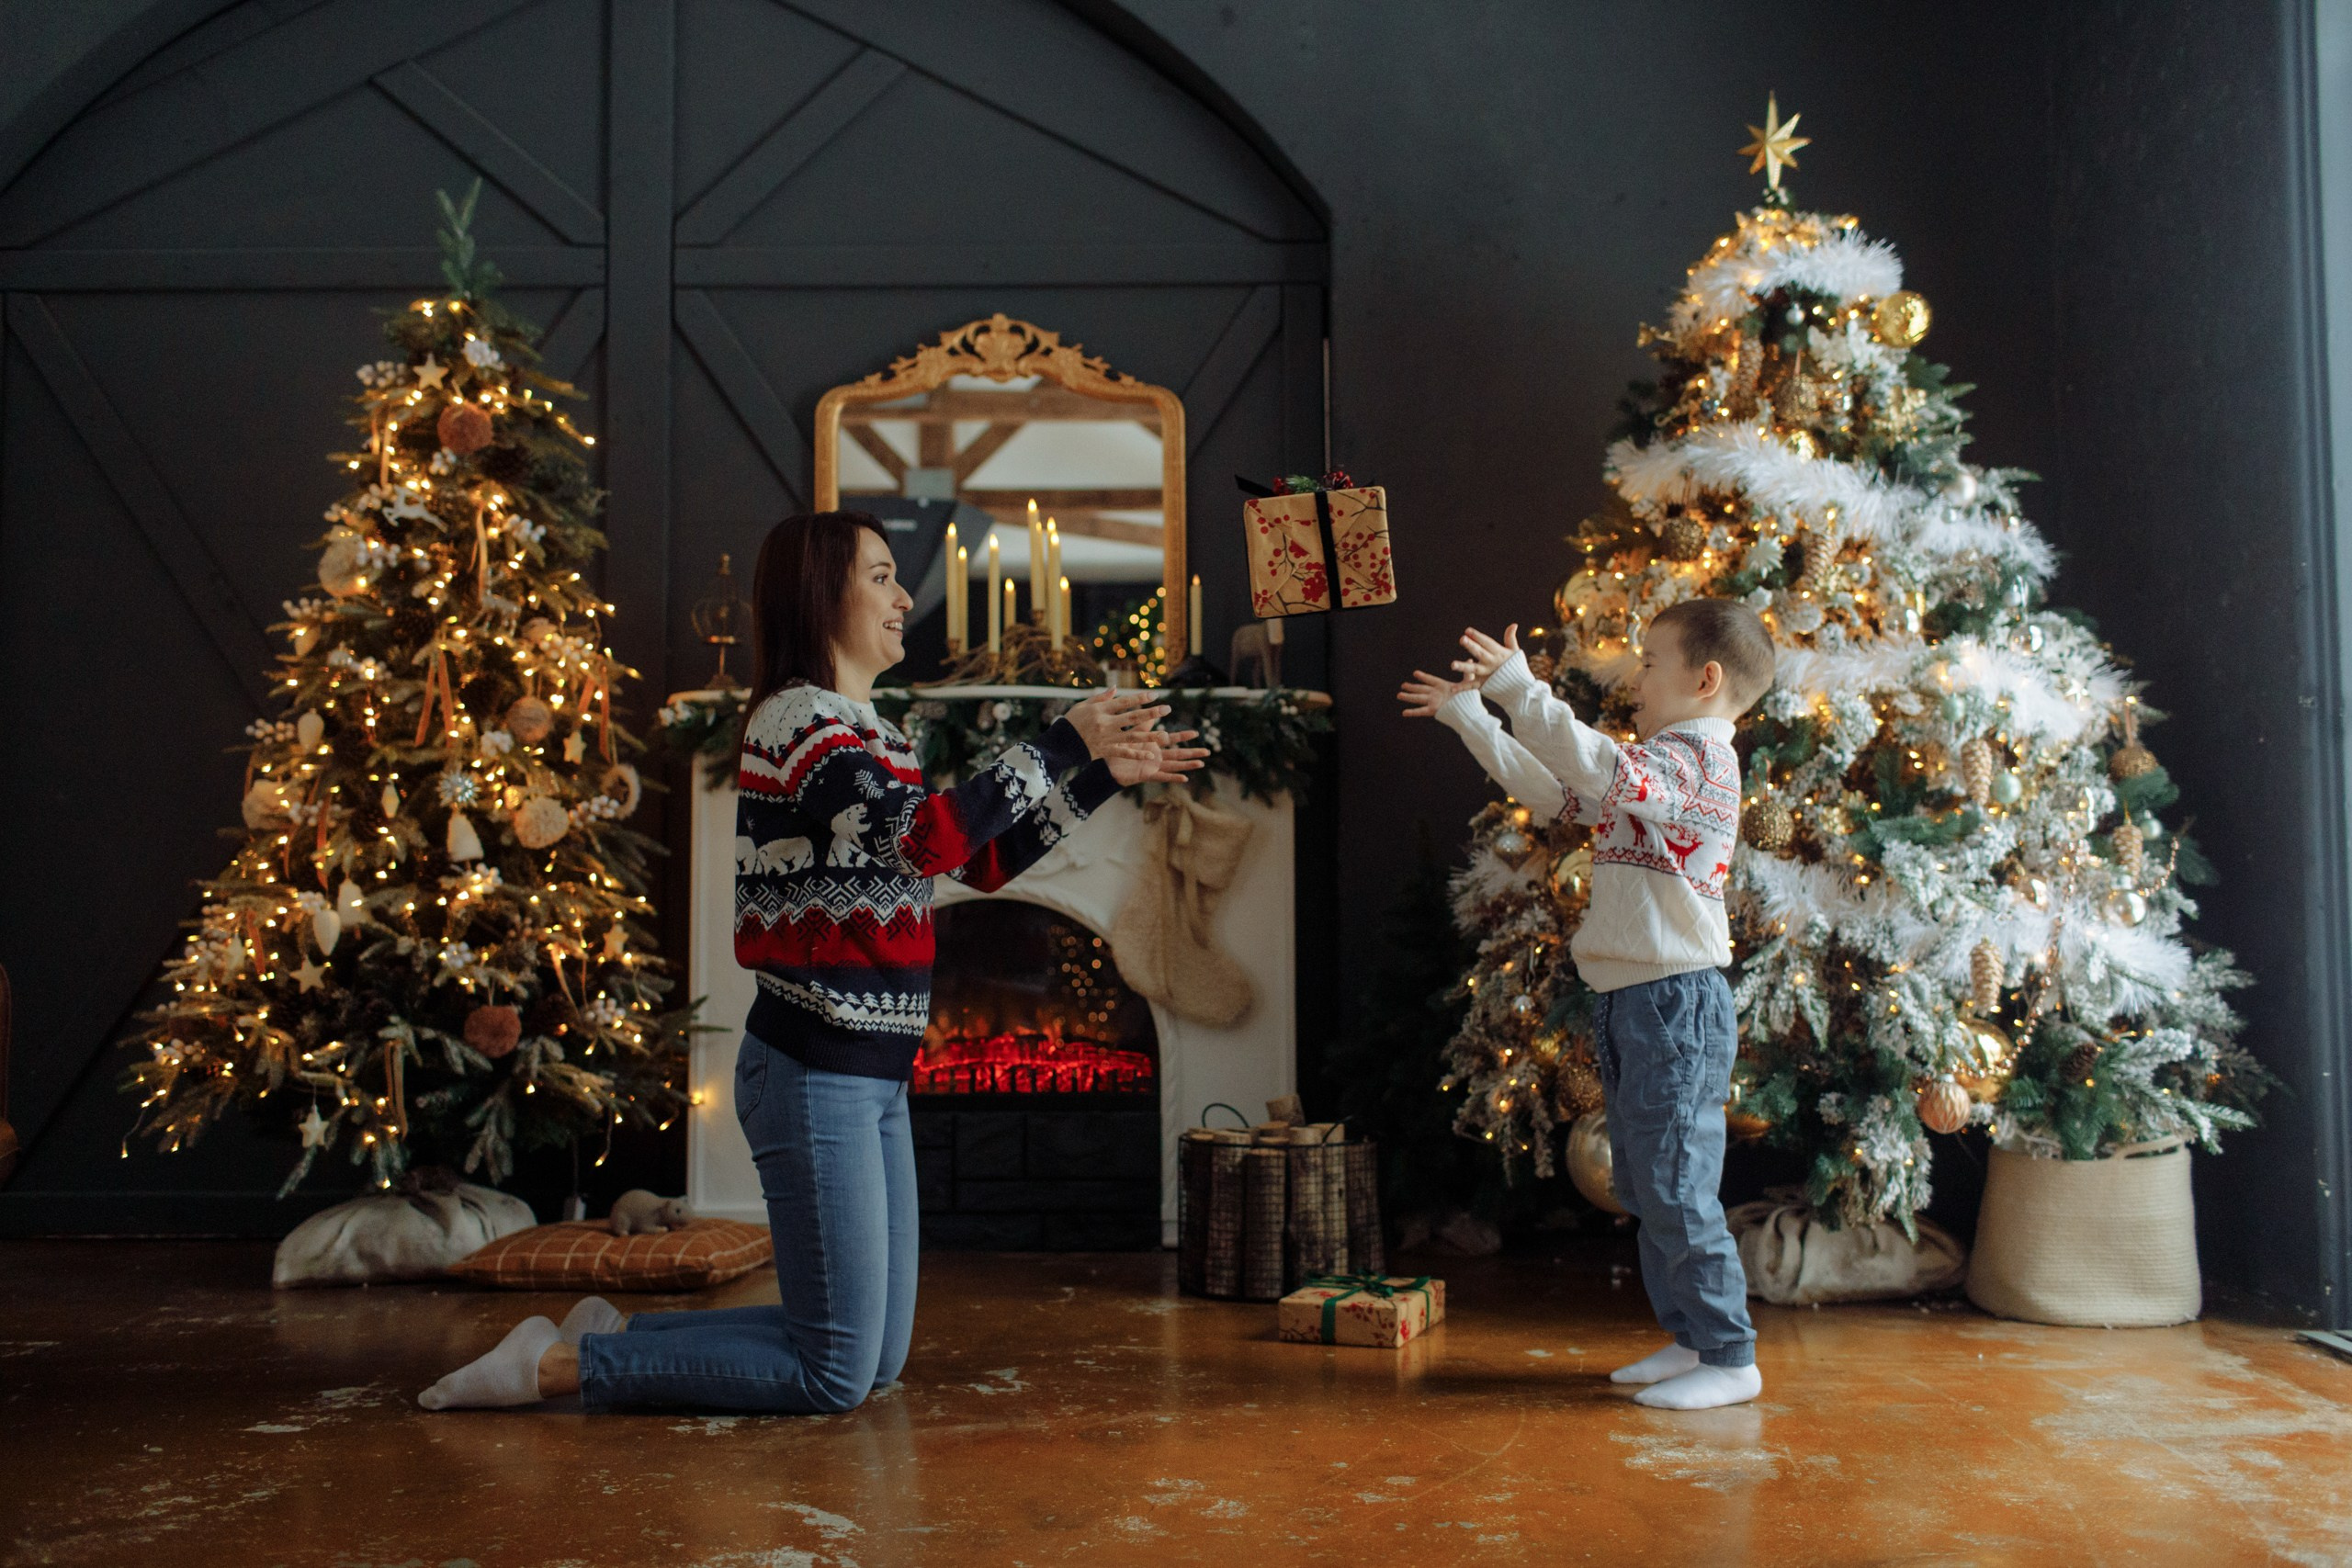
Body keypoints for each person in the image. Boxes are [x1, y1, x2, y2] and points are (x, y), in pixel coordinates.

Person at [420, 510, 1204, 1414]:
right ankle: (555, 1370)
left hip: (874, 1075)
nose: (905, 596)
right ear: (817, 592)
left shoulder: (873, 731)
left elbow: (976, 860)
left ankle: (606, 1336)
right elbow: (922, 837)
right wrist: (1063, 741)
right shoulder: (799, 723)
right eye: (879, 576)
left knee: (874, 1363)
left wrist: (1104, 776)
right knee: (834, 1373)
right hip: (812, 1068)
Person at [1398, 598, 1776, 1411]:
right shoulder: (1661, 767)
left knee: (1677, 1185)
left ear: (1706, 679)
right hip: (1634, 999)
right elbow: (1559, 793)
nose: (1635, 677)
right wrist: (1474, 718)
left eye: (1650, 662)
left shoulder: (1699, 765)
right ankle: (1691, 1338)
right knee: (1645, 1185)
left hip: (1675, 1002)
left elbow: (1599, 768)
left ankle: (1730, 1354)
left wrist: (1523, 692)